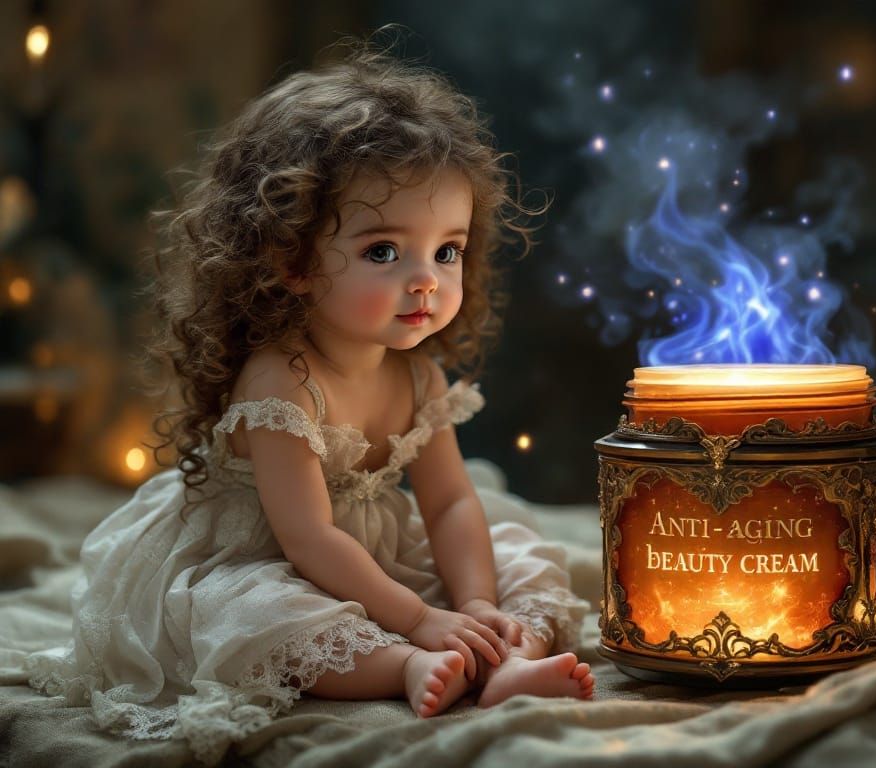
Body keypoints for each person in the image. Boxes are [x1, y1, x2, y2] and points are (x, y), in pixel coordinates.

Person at [23, 41, 592, 765]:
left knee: (518, 557)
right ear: (292, 260)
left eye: (446, 250)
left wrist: (474, 605)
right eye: (385, 251)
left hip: (373, 561)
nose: (426, 280)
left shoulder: (418, 377)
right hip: (262, 556)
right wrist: (418, 624)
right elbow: (308, 541)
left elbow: (449, 503)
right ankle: (406, 668)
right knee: (260, 618)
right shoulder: (281, 380)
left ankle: (503, 661)